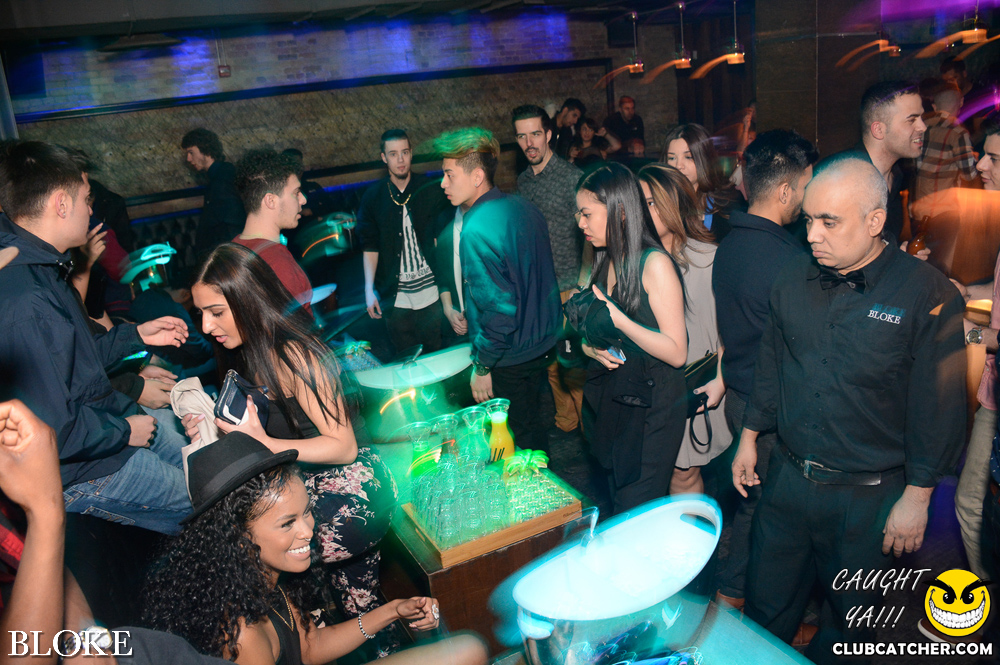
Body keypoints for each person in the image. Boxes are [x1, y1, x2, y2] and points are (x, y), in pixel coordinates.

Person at [731, 158, 966, 662]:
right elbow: (772, 362)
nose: (812, 235)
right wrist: (749, 435)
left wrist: (918, 498)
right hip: (788, 483)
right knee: (765, 612)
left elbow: (939, 409)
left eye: (829, 222)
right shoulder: (792, 276)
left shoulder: (929, 294)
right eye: (808, 219)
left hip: (870, 500)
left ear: (875, 221)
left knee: (855, 631)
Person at [184, 243, 399, 653]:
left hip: (354, 487)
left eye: (216, 312)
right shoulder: (246, 352)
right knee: (342, 608)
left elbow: (343, 446)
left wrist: (263, 443)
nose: (207, 326)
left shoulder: (293, 353)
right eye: (201, 314)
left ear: (247, 300)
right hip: (306, 487)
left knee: (269, 556)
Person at [143, 431, 488, 665]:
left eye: (307, 512)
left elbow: (309, 647)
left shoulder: (260, 578)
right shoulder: (241, 634)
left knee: (468, 648)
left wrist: (394, 610)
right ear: (237, 535)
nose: (308, 530)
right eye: (287, 523)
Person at [0, 141, 192, 535]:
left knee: (213, 470)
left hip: (106, 428)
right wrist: (125, 432)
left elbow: (76, 362)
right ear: (61, 204)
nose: (91, 210)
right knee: (214, 502)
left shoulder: (43, 265)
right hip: (88, 467)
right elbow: (53, 427)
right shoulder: (25, 296)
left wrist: (135, 335)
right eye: (86, 199)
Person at [711, 129, 817, 612]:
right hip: (768, 409)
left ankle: (735, 598)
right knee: (767, 514)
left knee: (752, 507)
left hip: (740, 397)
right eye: (806, 187)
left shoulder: (730, 245)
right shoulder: (789, 261)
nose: (808, 199)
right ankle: (735, 601)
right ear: (785, 191)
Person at [435, 127, 561, 454]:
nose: (443, 183)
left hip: (508, 356)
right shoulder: (524, 207)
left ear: (477, 176)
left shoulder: (476, 229)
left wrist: (482, 366)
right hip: (541, 345)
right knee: (533, 430)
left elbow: (499, 310)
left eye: (449, 174)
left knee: (511, 446)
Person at [573, 163, 687, 514]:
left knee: (637, 509)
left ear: (620, 212)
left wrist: (621, 321)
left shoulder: (654, 264)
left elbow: (677, 352)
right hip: (618, 398)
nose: (580, 223)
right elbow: (590, 329)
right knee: (618, 502)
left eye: (587, 214)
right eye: (579, 214)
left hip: (654, 407)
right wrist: (590, 348)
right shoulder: (604, 257)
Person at [636, 164, 730, 495]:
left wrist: (722, 380)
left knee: (683, 474)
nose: (643, 211)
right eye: (639, 202)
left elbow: (733, 332)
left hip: (691, 387)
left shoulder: (710, 259)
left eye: (651, 202)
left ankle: (694, 531)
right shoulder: (632, 261)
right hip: (646, 390)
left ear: (674, 204)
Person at [512, 105, 589, 434]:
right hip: (540, 291)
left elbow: (590, 234)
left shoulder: (572, 178)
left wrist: (584, 283)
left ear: (549, 135)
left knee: (575, 365)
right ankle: (566, 423)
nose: (529, 143)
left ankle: (590, 430)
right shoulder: (523, 182)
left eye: (535, 134)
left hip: (571, 287)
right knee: (552, 366)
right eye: (521, 136)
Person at [954, 121, 1000, 581]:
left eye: (995, 158)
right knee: (969, 501)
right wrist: (969, 291)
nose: (981, 165)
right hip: (992, 393)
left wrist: (964, 333)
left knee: (971, 504)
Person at [358, 130, 450, 357]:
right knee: (406, 358)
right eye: (393, 154)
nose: (400, 160)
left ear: (411, 153)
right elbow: (370, 246)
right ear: (383, 157)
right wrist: (369, 290)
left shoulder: (429, 188)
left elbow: (442, 239)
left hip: (431, 292)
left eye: (405, 152)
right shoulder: (373, 197)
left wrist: (449, 287)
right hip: (395, 296)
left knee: (436, 355)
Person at [822, 81, 926, 242]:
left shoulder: (897, 177)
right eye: (912, 120)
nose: (923, 127)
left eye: (921, 118)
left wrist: (898, 252)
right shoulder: (839, 177)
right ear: (878, 130)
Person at [232, 147, 314, 312]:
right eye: (296, 193)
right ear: (270, 201)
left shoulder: (232, 249)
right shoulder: (278, 264)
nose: (303, 200)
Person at [912, 82, 979, 221]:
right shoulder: (957, 132)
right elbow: (969, 174)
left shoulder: (919, 128)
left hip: (918, 209)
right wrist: (973, 159)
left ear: (934, 106)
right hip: (943, 212)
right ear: (961, 102)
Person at [661, 123, 739, 241]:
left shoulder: (726, 203)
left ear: (703, 158)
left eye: (688, 157)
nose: (678, 165)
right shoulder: (659, 201)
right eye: (672, 158)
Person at [181, 128, 246, 256]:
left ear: (205, 149)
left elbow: (233, 224)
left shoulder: (223, 178)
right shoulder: (219, 175)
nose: (188, 159)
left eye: (191, 152)